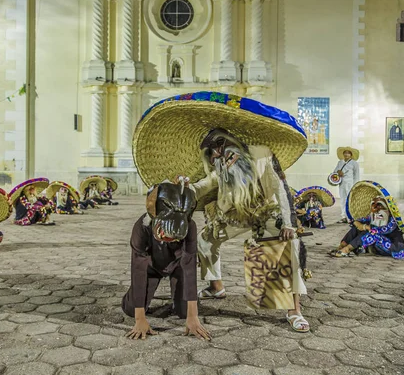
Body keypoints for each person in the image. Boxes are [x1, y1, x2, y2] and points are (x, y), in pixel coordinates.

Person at [132, 91, 311, 332]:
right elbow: (200, 187)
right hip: (236, 216)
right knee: (205, 241)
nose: (218, 152)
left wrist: (289, 223)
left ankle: (294, 311)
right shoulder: (220, 171)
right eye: (211, 152)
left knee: (287, 248)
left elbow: (281, 189)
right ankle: (216, 287)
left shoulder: (261, 155)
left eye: (220, 144)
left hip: (268, 215)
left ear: (231, 140)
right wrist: (180, 185)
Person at [122, 181, 210, 341]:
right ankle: (134, 297)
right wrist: (140, 319)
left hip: (177, 266)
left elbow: (189, 268)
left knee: (184, 313)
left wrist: (193, 316)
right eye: (164, 235)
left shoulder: (190, 227)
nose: (168, 240)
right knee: (130, 309)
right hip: (150, 267)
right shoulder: (141, 228)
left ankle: (180, 303)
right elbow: (138, 271)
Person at [331, 180, 404, 259]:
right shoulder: (373, 216)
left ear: (389, 210)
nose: (376, 209)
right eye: (374, 205)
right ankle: (342, 246)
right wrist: (359, 225)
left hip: (392, 247)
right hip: (377, 245)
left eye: (380, 205)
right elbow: (356, 221)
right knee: (356, 229)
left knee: (372, 233)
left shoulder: (392, 222)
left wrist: (365, 227)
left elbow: (375, 230)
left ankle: (347, 250)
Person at [333, 146, 360, 223]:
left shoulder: (354, 163)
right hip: (341, 183)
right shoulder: (340, 162)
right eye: (345, 153)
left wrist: (355, 185)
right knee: (342, 199)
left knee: (350, 199)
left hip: (350, 183)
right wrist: (338, 173)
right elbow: (334, 172)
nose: (346, 154)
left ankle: (350, 216)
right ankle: (343, 216)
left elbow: (356, 175)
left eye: (348, 153)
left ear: (351, 155)